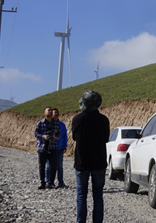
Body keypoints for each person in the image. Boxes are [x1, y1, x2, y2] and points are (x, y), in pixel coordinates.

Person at [72, 90, 110, 223]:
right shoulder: (104, 120)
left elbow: (74, 137)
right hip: (99, 163)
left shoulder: (77, 119)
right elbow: (106, 138)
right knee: (98, 196)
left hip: (82, 163)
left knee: (81, 195)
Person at [34, 106, 60, 189]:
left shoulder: (56, 123)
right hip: (42, 148)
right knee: (42, 166)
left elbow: (59, 134)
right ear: (44, 113)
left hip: (53, 147)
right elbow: (36, 134)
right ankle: (42, 183)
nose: (50, 111)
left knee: (54, 166)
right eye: (48, 110)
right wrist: (43, 136)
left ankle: (51, 183)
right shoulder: (40, 123)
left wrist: (55, 137)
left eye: (51, 110)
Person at [45, 108, 68, 188]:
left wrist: (65, 145)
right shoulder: (48, 124)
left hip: (59, 148)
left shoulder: (62, 125)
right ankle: (48, 182)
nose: (56, 114)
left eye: (57, 112)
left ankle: (60, 182)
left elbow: (65, 136)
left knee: (60, 166)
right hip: (50, 148)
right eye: (54, 112)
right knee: (49, 166)